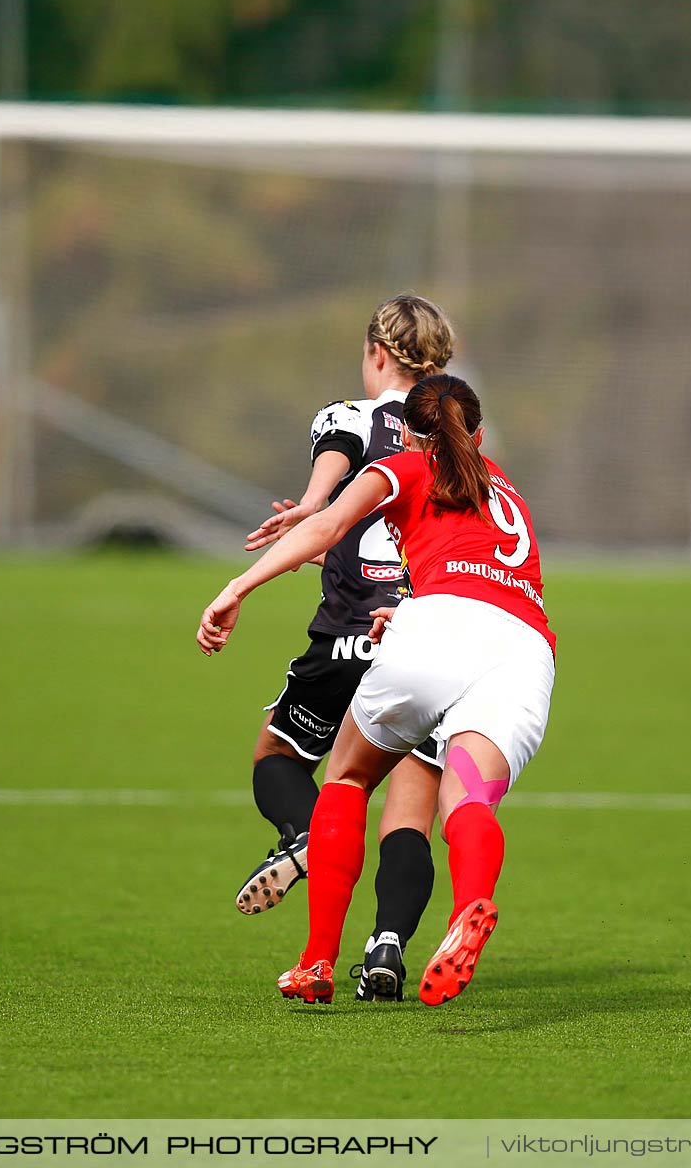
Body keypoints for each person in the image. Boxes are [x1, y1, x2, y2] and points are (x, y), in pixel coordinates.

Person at [198, 374, 555, 1007]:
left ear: (414, 436)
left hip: (438, 631)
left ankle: (316, 962)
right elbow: (475, 570)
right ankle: (467, 912)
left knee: (348, 777)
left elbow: (328, 526)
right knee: (468, 799)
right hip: (524, 652)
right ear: (476, 433)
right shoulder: (506, 490)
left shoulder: (409, 466)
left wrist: (238, 588)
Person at [233, 294, 452, 1003]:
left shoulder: (348, 417)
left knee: (281, 753)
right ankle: (387, 945)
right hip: (429, 638)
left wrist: (305, 512)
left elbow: (323, 498)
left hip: (350, 631)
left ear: (376, 355)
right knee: (411, 803)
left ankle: (301, 835)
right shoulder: (460, 441)